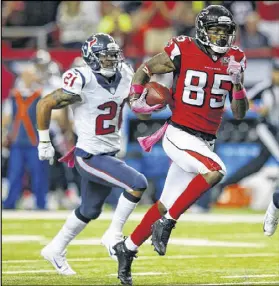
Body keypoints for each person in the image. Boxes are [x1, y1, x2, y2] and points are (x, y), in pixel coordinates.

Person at [112, 5, 249, 285]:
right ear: (202, 31)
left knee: (164, 203)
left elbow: (239, 113)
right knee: (215, 170)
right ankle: (169, 223)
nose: (221, 37)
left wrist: (237, 84)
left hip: (204, 140)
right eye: (215, 31)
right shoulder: (183, 49)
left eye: (226, 32)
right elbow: (146, 68)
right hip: (178, 132)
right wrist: (136, 95)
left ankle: (127, 249)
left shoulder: (235, 58)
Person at [36, 33, 150, 276]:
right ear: (91, 58)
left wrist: (148, 103)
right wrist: (44, 141)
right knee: (138, 183)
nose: (110, 61)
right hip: (89, 155)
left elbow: (140, 113)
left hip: (108, 153)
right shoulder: (81, 78)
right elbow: (45, 103)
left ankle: (55, 248)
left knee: (89, 210)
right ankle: (114, 234)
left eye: (113, 56)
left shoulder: (126, 75)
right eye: (104, 57)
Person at [213, 58, 279, 206]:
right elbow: (243, 99)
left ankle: (223, 186)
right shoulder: (265, 87)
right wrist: (258, 108)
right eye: (276, 72)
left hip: (277, 131)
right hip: (267, 129)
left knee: (257, 165)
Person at [2, 50, 57, 209]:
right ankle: (10, 202)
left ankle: (41, 203)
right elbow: (6, 118)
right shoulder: (15, 95)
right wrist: (4, 134)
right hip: (18, 141)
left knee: (39, 174)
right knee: (14, 174)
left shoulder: (42, 94)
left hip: (36, 141)